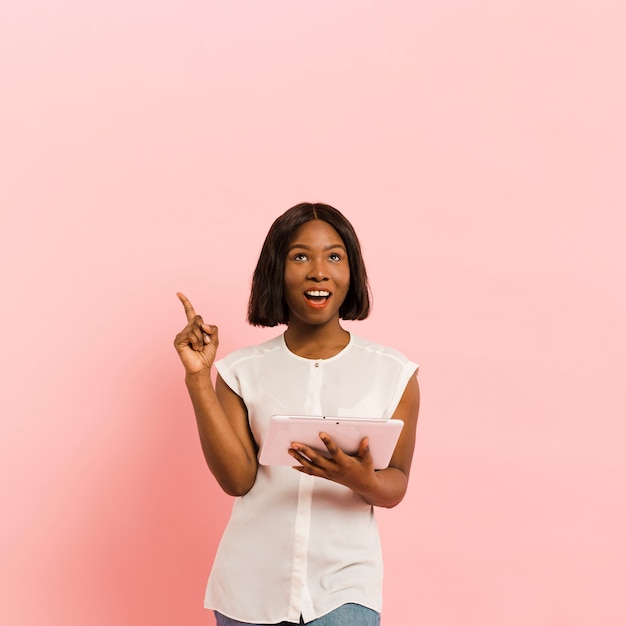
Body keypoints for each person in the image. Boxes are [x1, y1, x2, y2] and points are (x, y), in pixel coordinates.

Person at [173, 202, 420, 626]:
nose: (319, 271)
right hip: (251, 590)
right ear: (276, 270)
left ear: (352, 270)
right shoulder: (239, 372)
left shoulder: (394, 373)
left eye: (334, 256)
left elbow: (395, 484)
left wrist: (363, 480)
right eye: (300, 256)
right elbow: (237, 480)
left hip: (345, 591)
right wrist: (198, 378)